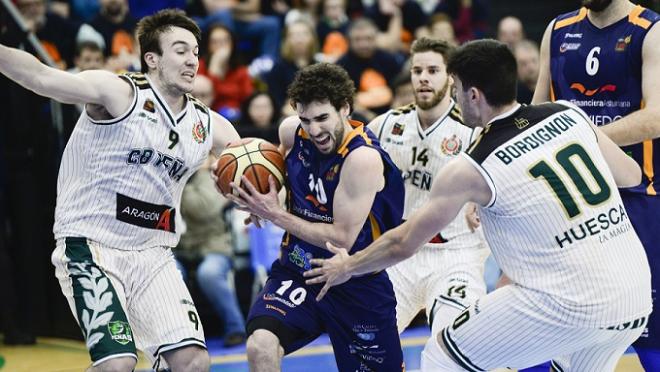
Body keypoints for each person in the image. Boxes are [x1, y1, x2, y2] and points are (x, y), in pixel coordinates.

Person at [305, 39, 652, 372]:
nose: (454, 96)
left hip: (570, 301)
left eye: (455, 88)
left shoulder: (472, 166)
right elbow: (631, 174)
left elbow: (402, 242)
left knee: (442, 355)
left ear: (473, 95)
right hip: (634, 295)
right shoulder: (568, 113)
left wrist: (348, 266)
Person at [0, 8, 240, 372]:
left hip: (153, 253)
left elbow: (253, 159)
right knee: (117, 365)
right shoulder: (118, 92)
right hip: (92, 245)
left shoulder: (207, 124)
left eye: (195, 51)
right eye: (180, 50)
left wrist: (259, 199)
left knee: (193, 362)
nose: (192, 59)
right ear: (152, 59)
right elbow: (40, 77)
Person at [226, 63, 406, 372]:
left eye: (323, 118)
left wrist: (275, 214)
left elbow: (340, 238)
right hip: (299, 272)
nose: (314, 130)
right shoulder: (291, 133)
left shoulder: (362, 158)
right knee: (261, 346)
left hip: (355, 278)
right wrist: (261, 202)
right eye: (306, 119)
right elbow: (282, 180)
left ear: (345, 108)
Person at [532, 0, 660, 368]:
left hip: (637, 197)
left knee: (651, 326)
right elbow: (536, 112)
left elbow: (655, 117)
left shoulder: (649, 30)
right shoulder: (557, 30)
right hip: (568, 199)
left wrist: (583, 140)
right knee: (544, 318)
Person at [367, 37, 487, 336]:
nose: (423, 78)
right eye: (417, 70)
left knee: (453, 342)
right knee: (368, 343)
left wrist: (478, 201)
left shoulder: (472, 130)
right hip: (400, 252)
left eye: (433, 70)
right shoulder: (386, 124)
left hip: (456, 253)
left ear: (451, 77)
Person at [177, 156, 247, 348]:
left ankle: (236, 328)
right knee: (170, 275)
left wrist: (179, 185)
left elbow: (205, 210)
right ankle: (178, 335)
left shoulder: (209, 178)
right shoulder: (169, 179)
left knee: (209, 274)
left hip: (214, 246)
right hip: (180, 249)